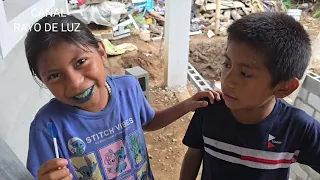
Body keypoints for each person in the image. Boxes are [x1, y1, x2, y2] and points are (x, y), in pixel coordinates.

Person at [25, 14, 221, 180]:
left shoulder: (128, 88)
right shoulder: (47, 127)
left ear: (101, 52)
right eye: (55, 75)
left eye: (81, 62)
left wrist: (186, 105)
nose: (75, 83)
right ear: (43, 81)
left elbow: (148, 121)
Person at [180, 12, 320, 180]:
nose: (227, 80)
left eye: (245, 73)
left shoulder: (298, 127)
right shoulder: (208, 109)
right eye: (227, 64)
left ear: (284, 87)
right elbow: (193, 154)